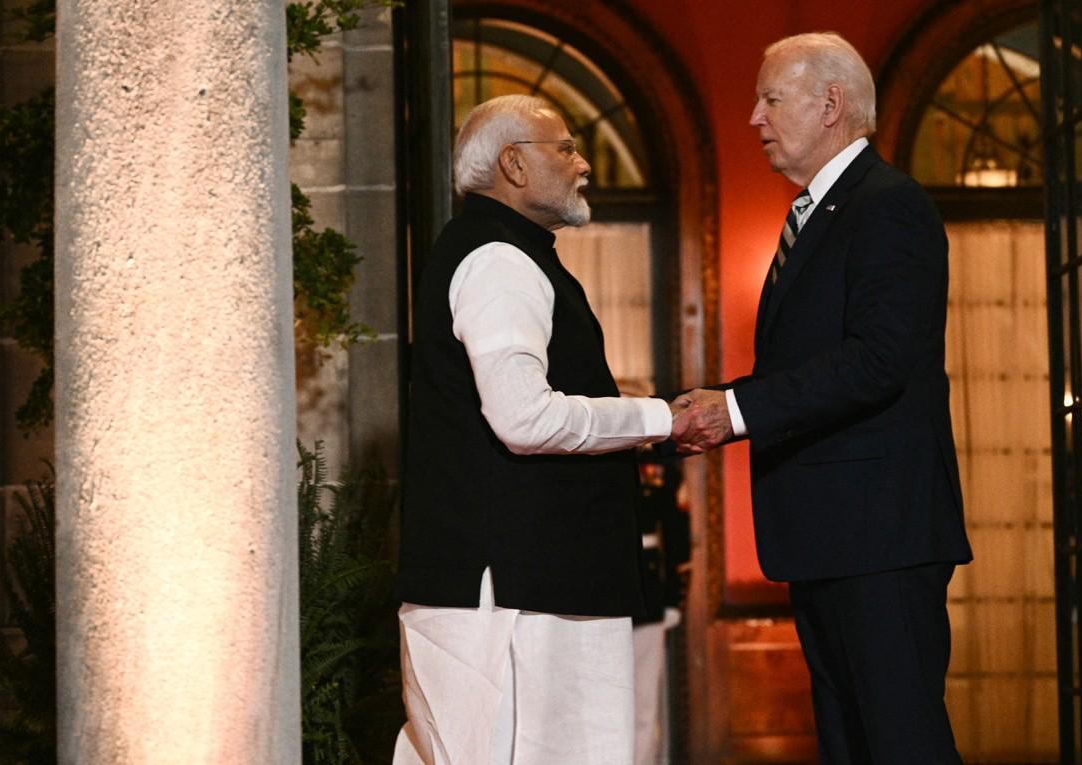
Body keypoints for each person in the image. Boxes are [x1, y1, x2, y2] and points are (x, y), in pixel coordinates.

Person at [670, 32, 973, 764]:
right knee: (849, 744)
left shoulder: (888, 205)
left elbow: (878, 361)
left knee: (902, 743)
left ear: (829, 103)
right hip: (833, 537)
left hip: (880, 537)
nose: (754, 118)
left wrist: (734, 410)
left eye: (770, 99)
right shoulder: (817, 212)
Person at [393, 94, 682, 765]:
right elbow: (524, 417)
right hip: (515, 599)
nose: (583, 165)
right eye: (568, 148)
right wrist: (659, 416)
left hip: (529, 587)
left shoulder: (503, 253)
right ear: (515, 165)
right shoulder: (498, 260)